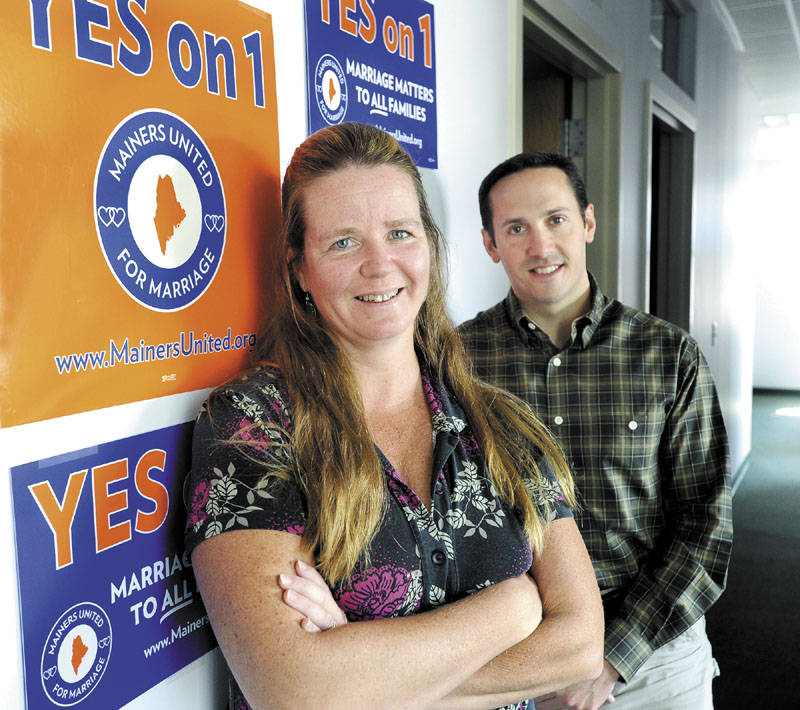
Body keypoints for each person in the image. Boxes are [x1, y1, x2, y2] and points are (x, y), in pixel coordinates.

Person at [183, 124, 603, 709]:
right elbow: (295, 691)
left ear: (428, 245)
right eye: (343, 243)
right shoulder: (253, 422)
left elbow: (580, 644)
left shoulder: (499, 423)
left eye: (399, 233)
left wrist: (366, 679)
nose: (380, 267)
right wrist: (515, 609)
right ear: (299, 268)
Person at [458, 152, 733, 710]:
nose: (540, 246)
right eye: (516, 228)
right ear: (490, 244)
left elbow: (707, 527)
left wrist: (610, 657)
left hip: (655, 659)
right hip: (519, 663)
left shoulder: (667, 354)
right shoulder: (458, 361)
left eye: (556, 219)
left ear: (587, 222)